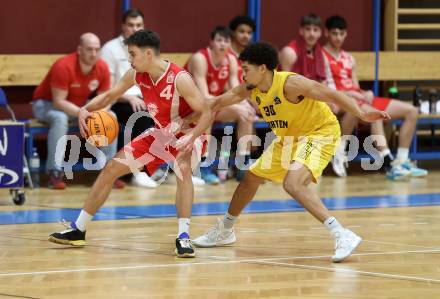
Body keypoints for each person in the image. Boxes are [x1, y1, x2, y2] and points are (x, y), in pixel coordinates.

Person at [193, 42, 390, 262]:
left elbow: (333, 94)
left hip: (319, 132)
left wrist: (362, 114)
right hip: (289, 138)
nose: (243, 74)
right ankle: (225, 230)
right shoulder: (250, 88)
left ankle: (342, 234)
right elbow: (214, 103)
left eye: (246, 69)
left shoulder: (291, 83)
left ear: (262, 69)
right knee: (250, 178)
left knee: (293, 184)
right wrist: (183, 120)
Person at [48, 30, 213, 258]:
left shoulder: (179, 78)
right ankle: (78, 229)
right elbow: (109, 96)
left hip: (188, 132)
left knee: (183, 169)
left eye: (133, 54)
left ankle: (183, 237)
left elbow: (206, 112)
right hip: (161, 133)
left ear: (147, 54)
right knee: (111, 169)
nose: (130, 59)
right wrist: (87, 109)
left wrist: (190, 136)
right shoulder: (136, 74)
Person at [322, 15, 427, 179]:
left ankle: (401, 162)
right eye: (334, 33)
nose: (338, 37)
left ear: (346, 34)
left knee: (412, 111)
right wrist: (351, 94)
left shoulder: (349, 58)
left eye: (341, 34)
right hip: (340, 99)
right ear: (326, 33)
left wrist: (366, 93)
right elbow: (324, 88)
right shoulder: (321, 56)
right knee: (374, 114)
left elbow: (355, 85)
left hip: (358, 98)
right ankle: (385, 162)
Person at [32, 33, 124, 189]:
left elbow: (105, 100)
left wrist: (97, 114)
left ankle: (109, 172)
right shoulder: (63, 65)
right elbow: (59, 101)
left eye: (96, 49)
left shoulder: (102, 67)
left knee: (110, 116)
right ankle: (54, 173)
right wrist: (83, 113)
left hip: (79, 106)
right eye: (89, 49)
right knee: (60, 118)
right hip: (46, 104)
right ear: (79, 50)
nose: (93, 53)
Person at [185, 26, 256, 184]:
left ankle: (242, 164)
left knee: (246, 114)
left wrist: (244, 105)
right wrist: (235, 106)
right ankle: (202, 167)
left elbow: (236, 91)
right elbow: (203, 97)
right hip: (186, 107)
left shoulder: (230, 60)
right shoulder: (200, 58)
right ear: (211, 42)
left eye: (226, 41)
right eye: (219, 40)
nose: (223, 44)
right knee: (208, 113)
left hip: (212, 105)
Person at [101, 8, 158, 188]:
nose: (135, 29)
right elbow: (108, 88)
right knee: (142, 116)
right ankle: (137, 171)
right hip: (120, 100)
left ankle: (168, 169)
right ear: (123, 27)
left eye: (139, 25)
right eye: (131, 25)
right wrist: (128, 97)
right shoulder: (110, 49)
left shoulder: (147, 50)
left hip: (143, 98)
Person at [279, 13, 326, 82]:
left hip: (311, 91)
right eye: (308, 29)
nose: (312, 34)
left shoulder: (321, 54)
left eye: (315, 30)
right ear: (301, 31)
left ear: (320, 33)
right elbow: (283, 82)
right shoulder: (289, 52)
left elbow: (322, 82)